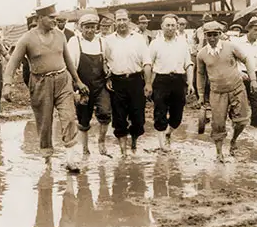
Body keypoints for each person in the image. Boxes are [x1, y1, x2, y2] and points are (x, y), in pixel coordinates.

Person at [2, 3, 89, 172]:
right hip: (41, 83)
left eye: (56, 18)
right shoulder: (26, 39)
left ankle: (70, 160)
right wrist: (7, 85)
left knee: (69, 117)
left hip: (63, 80)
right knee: (44, 122)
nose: (55, 21)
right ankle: (47, 159)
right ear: (40, 18)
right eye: (51, 18)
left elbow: (68, 60)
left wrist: (78, 81)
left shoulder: (60, 36)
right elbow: (12, 64)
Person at [196, 21, 257, 163]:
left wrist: (253, 79)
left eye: (215, 35)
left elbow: (247, 59)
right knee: (218, 124)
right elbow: (200, 74)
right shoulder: (202, 54)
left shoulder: (230, 47)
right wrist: (200, 95)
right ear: (205, 36)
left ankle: (234, 140)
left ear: (219, 34)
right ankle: (219, 154)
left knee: (241, 121)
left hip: (237, 88)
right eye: (209, 35)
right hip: (217, 93)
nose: (212, 38)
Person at [104, 9, 152, 156]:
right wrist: (108, 78)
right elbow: (104, 62)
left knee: (138, 118)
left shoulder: (138, 39)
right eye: (118, 20)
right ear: (115, 22)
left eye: (124, 19)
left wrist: (148, 83)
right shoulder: (108, 40)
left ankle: (134, 143)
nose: (122, 23)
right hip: (117, 83)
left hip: (136, 81)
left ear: (129, 20)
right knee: (119, 118)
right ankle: (123, 152)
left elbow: (147, 63)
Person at [67, 13, 111, 156]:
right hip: (82, 85)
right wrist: (77, 85)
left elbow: (108, 61)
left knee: (105, 112)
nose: (90, 30)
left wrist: (108, 72)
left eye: (93, 27)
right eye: (87, 27)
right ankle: (85, 149)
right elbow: (71, 66)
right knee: (83, 118)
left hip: (100, 85)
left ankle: (101, 141)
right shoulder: (75, 42)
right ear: (81, 28)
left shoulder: (102, 42)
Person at [149, 14, 194, 151]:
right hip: (161, 80)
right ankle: (162, 145)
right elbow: (149, 65)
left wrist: (190, 83)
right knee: (160, 112)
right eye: (167, 25)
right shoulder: (155, 43)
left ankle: (168, 133)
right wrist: (148, 84)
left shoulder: (182, 43)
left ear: (177, 27)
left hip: (179, 80)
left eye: (173, 25)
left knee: (177, 116)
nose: (170, 28)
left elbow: (189, 64)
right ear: (162, 27)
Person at [236, 17, 257, 128]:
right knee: (239, 103)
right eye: (255, 30)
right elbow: (232, 60)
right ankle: (238, 127)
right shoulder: (238, 43)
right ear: (249, 29)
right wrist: (239, 72)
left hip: (256, 74)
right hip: (241, 74)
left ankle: (255, 128)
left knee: (256, 104)